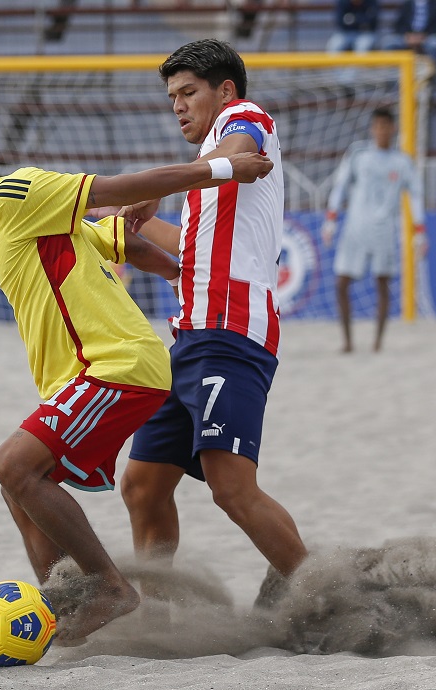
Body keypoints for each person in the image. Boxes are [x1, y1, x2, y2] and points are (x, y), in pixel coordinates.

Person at [0, 126, 273, 642]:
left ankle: (109, 588)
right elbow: (122, 242)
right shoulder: (10, 223)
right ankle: (70, 600)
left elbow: (119, 189)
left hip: (116, 365)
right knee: (19, 486)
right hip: (86, 376)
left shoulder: (17, 194)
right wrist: (175, 275)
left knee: (13, 464)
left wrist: (222, 169)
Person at [106, 39, 309, 600]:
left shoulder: (244, 119)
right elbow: (189, 250)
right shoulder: (202, 186)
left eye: (188, 92)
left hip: (233, 332)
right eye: (171, 96)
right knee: (142, 485)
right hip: (189, 337)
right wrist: (119, 220)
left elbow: (239, 154)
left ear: (224, 90)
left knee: (231, 488)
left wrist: (152, 189)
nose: (177, 105)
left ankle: (321, 588)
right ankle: (162, 615)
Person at [321, 108, 426, 354]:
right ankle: (348, 341)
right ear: (372, 128)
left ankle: (378, 342)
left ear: (393, 128)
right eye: (377, 126)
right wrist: (330, 220)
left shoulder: (402, 161)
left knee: (382, 283)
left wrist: (419, 231)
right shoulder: (358, 154)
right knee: (341, 283)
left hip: (384, 230)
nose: (381, 131)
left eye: (385, 126)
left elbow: (416, 196)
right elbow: (341, 187)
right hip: (355, 227)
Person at [379, 0, 436, 64]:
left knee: (435, 44)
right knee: (388, 42)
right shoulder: (407, 5)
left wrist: (424, 36)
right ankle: (393, 69)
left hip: (428, 36)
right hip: (407, 36)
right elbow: (398, 25)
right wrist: (408, 35)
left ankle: (431, 70)